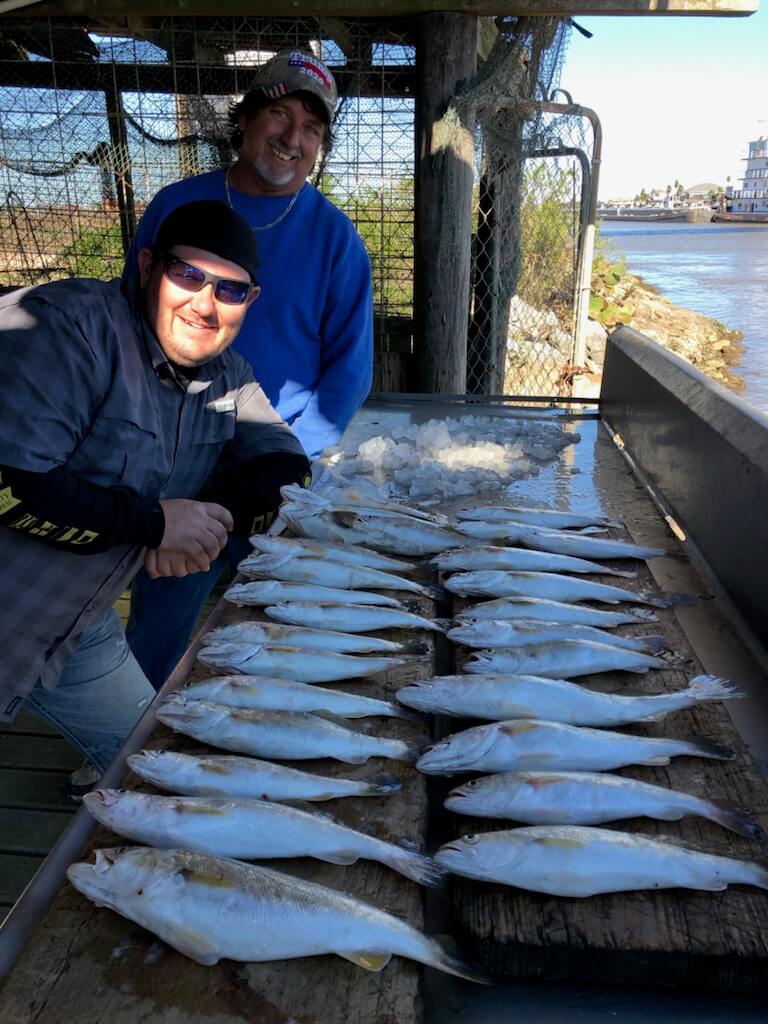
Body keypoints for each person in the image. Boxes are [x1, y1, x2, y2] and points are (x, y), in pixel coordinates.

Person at [0, 199, 310, 797]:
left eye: (230, 290)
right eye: (187, 274)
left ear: (251, 301)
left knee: (159, 764)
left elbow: (287, 470)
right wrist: (152, 524)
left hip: (76, 624)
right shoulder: (68, 329)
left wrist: (198, 522)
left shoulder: (227, 373)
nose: (205, 302)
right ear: (147, 266)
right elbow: (13, 484)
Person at [124, 48, 374, 690]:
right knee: (164, 608)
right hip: (177, 452)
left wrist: (296, 456)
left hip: (280, 458)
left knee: (283, 621)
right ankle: (123, 748)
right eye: (279, 115)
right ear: (246, 120)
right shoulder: (179, 205)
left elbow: (349, 371)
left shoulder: (337, 238)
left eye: (312, 128)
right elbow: (129, 317)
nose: (292, 138)